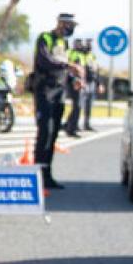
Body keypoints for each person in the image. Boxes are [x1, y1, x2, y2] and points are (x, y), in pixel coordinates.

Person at [31, 13, 79, 189]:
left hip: (59, 91)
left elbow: (64, 66)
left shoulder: (64, 43)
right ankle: (38, 174)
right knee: (45, 131)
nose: (71, 29)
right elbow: (45, 61)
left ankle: (47, 174)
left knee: (53, 134)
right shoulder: (45, 38)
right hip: (45, 90)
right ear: (60, 23)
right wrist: (67, 66)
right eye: (69, 25)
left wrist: (74, 79)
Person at [63, 39, 86, 137]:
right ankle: (71, 128)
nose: (81, 45)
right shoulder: (71, 53)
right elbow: (69, 69)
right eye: (78, 43)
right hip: (73, 83)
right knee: (77, 106)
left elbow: (82, 70)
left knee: (78, 106)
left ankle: (71, 126)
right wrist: (74, 80)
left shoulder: (81, 55)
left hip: (79, 82)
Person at [79, 39, 100, 131]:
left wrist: (99, 83)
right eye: (88, 44)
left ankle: (87, 123)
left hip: (92, 82)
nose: (90, 46)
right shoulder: (81, 55)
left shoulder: (92, 56)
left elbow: (96, 71)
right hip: (84, 82)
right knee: (80, 104)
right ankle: (73, 124)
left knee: (89, 105)